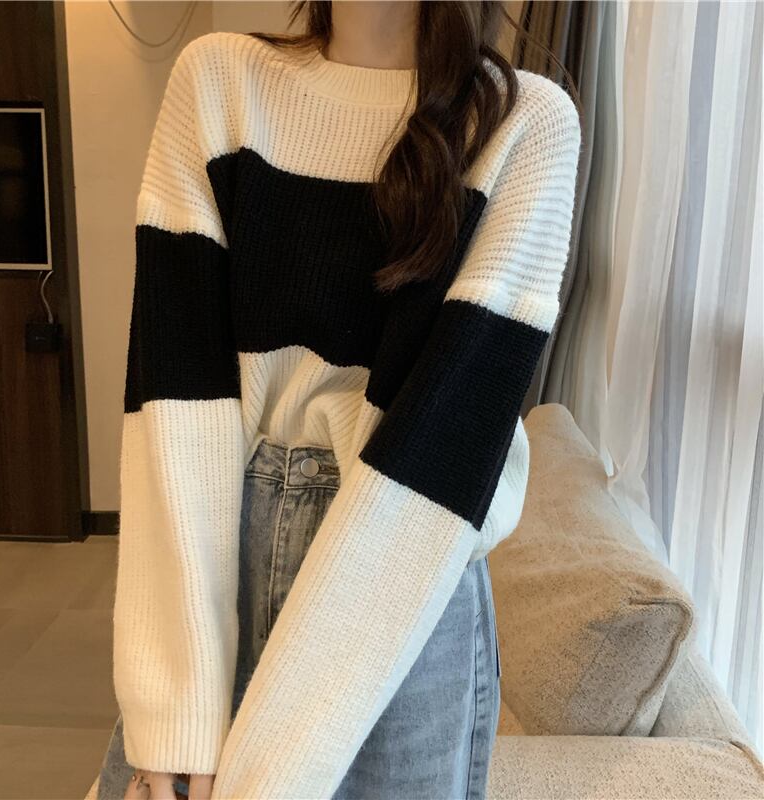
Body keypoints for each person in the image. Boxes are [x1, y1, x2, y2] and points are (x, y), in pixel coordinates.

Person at [95, 2, 582, 798]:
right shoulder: (219, 81)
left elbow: (443, 452)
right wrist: (177, 711)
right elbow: (175, 407)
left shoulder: (524, 124)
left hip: (402, 575)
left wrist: (271, 775)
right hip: (224, 535)